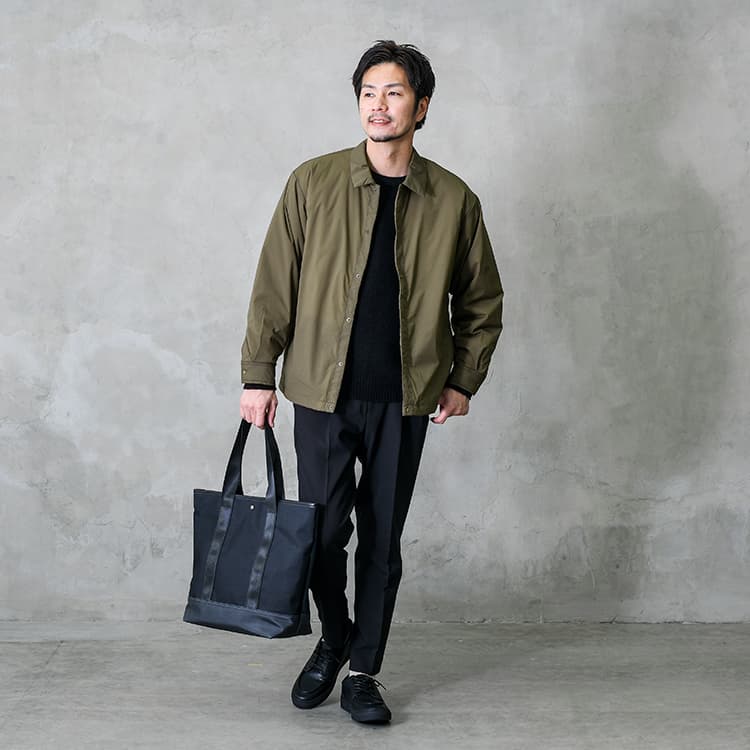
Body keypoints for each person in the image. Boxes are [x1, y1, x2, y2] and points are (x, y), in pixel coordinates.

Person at [239, 40, 504, 725]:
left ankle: (363, 671)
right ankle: (334, 638)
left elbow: (481, 300)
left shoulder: (453, 199)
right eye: (368, 93)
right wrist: (258, 374)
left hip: (405, 397)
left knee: (382, 542)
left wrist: (463, 379)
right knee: (321, 534)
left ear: (421, 106)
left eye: (394, 93)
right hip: (321, 392)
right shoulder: (313, 182)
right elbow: (274, 286)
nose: (378, 106)